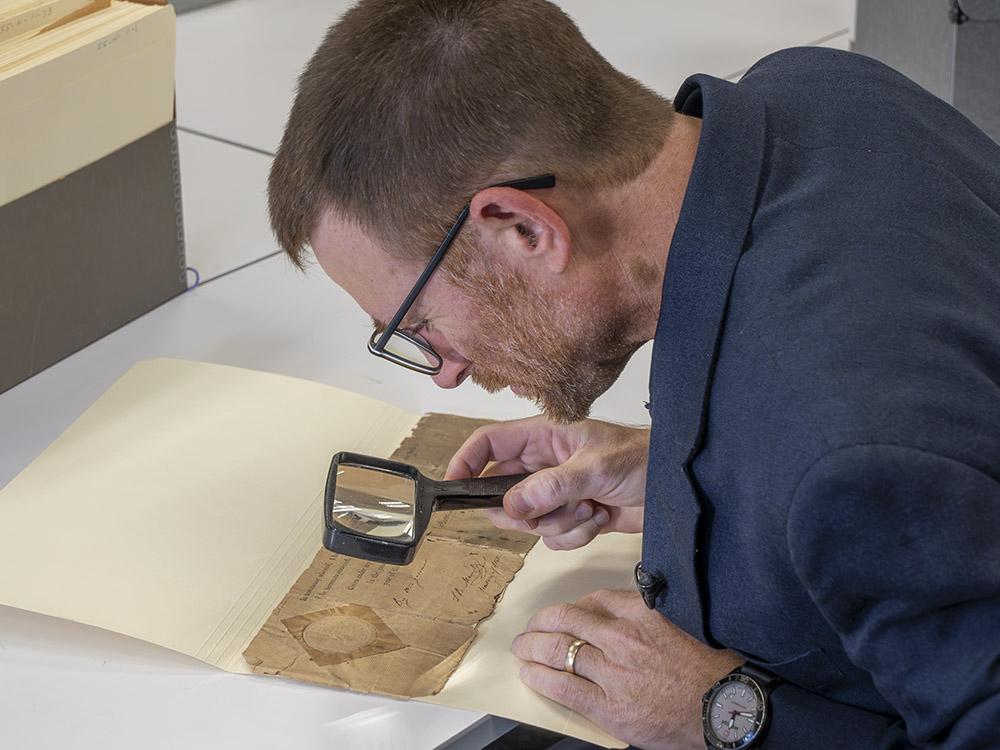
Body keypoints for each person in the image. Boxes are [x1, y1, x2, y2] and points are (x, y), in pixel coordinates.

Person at [267, 1, 1000, 747]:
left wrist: (723, 713)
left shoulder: (846, 459)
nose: (446, 373)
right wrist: (697, 466)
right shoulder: (819, 87)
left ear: (525, 229)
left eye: (419, 328)